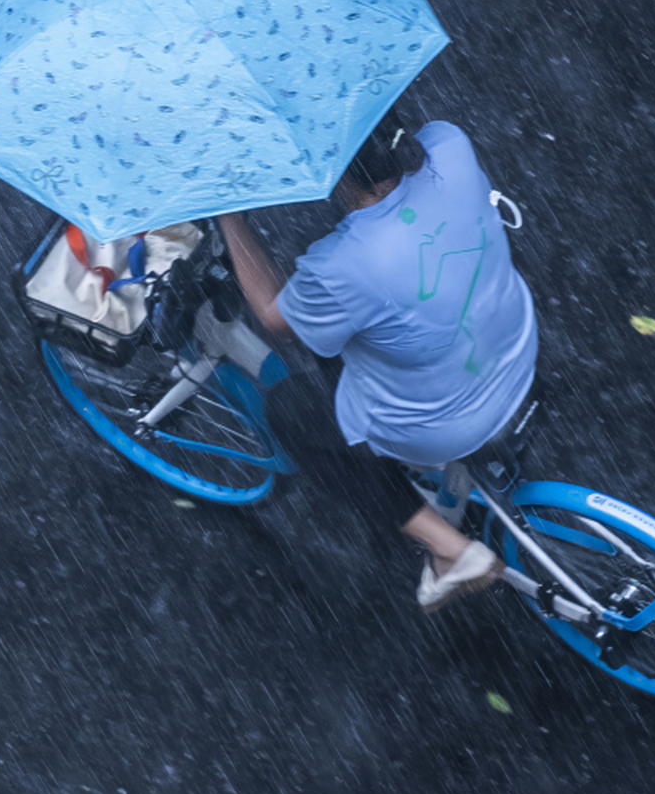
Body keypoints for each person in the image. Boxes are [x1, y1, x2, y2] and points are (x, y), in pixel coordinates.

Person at [215, 108, 538, 613]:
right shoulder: (451, 145)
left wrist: (230, 218)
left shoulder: (341, 264)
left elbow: (275, 317)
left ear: (339, 175)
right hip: (516, 351)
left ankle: (448, 549)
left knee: (295, 412)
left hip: (449, 421)